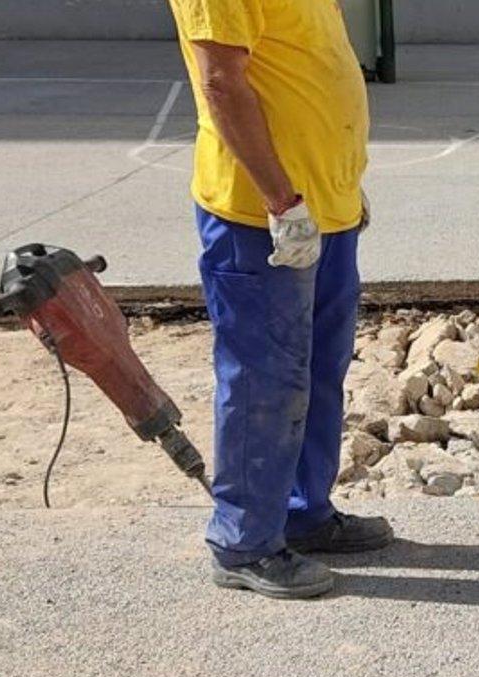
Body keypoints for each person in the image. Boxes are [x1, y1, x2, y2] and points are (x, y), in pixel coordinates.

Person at [167, 0, 391, 599]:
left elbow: (305, 67)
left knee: (318, 369)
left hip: (321, 206)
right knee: (264, 380)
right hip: (262, 215)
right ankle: (243, 542)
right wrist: (281, 201)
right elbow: (222, 82)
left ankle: (301, 512)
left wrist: (341, 184)